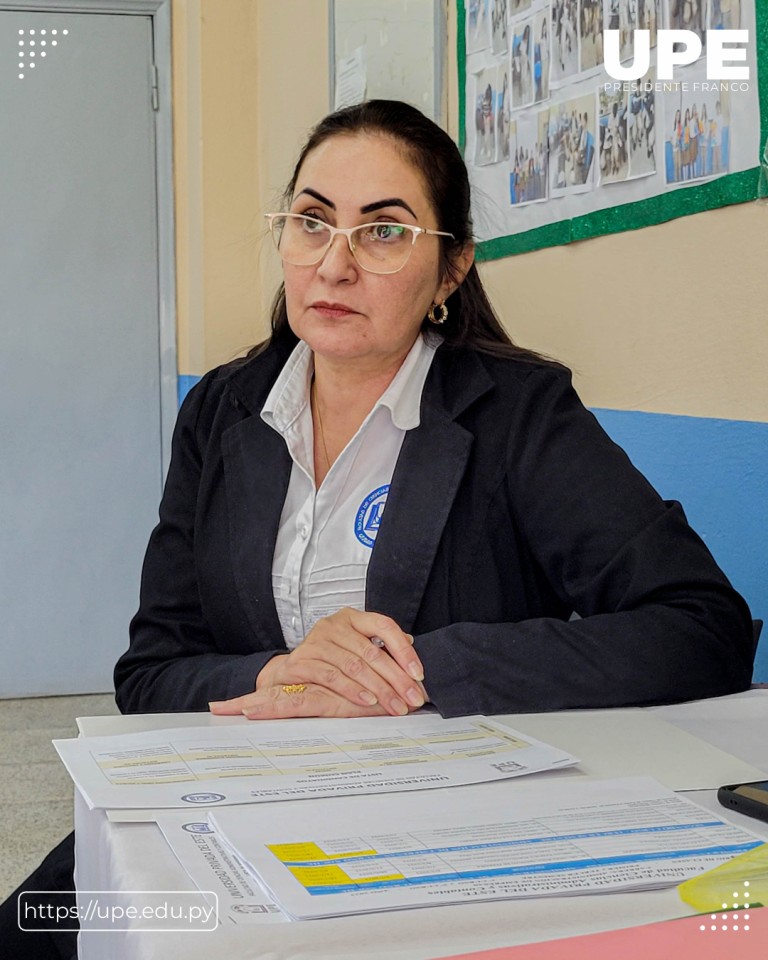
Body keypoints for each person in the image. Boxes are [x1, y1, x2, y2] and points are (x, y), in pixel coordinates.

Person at [1, 98, 754, 958]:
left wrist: (416, 668)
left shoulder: (517, 414)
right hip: (234, 810)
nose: (335, 264)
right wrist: (279, 673)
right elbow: (151, 670)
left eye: (384, 232)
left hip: (438, 833)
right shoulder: (222, 410)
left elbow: (702, 626)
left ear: (450, 270)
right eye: (312, 222)